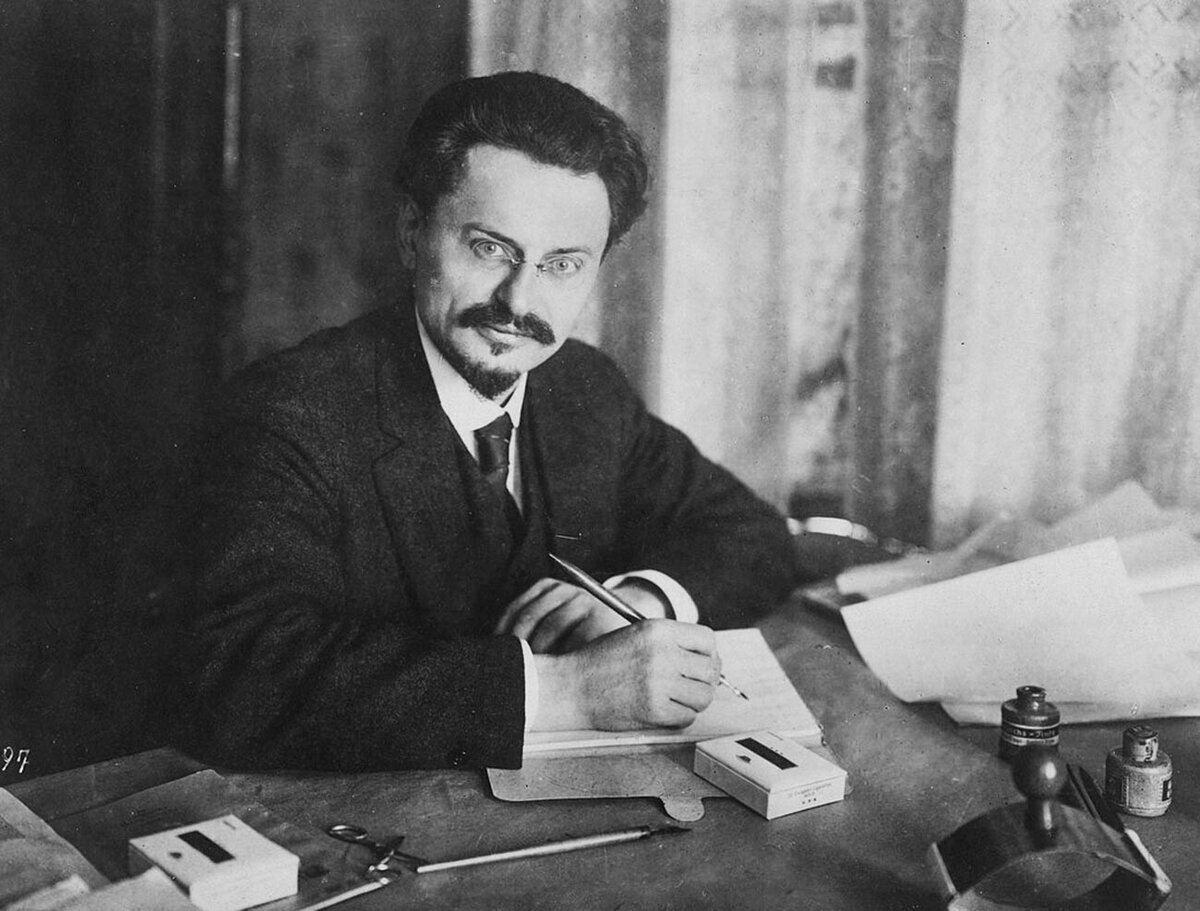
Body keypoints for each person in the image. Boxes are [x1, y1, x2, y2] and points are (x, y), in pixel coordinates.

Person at [179, 71, 797, 772]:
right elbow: (242, 675)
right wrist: (569, 690)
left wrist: (635, 600)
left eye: (562, 265)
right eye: (490, 249)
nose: (519, 301)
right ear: (412, 233)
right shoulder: (288, 411)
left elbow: (753, 534)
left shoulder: (584, 388)